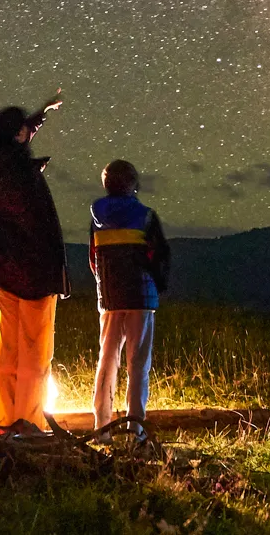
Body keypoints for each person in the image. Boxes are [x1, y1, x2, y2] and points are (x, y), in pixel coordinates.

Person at [0, 96, 65, 429]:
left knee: (9, 348)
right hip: (34, 271)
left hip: (3, 266)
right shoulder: (23, 174)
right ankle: (28, 422)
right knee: (34, 350)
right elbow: (35, 223)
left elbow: (19, 136)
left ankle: (5, 417)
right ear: (17, 135)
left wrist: (41, 115)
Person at [88, 159, 170, 436]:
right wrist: (158, 285)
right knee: (138, 366)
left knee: (107, 361)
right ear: (133, 183)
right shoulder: (146, 216)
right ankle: (136, 430)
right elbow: (159, 256)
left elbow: (93, 259)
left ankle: (102, 428)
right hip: (141, 297)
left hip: (110, 298)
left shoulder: (96, 216)